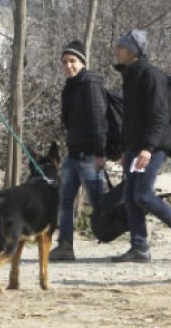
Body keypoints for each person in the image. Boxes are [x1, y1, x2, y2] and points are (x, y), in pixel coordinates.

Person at [109, 29, 171, 262]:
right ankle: (139, 248)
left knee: (143, 195)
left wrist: (147, 148)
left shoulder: (151, 76)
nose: (116, 51)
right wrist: (125, 149)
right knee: (130, 197)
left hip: (154, 146)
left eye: (119, 47)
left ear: (131, 51)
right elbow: (130, 118)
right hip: (134, 147)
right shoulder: (130, 75)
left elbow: (159, 117)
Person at [49, 40, 108, 261]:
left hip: (90, 155)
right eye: (64, 62)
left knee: (99, 202)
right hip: (73, 155)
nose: (68, 66)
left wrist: (101, 153)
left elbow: (98, 121)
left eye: (72, 61)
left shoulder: (91, 85)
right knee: (65, 201)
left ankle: (135, 239)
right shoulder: (70, 87)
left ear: (82, 62)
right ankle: (65, 245)